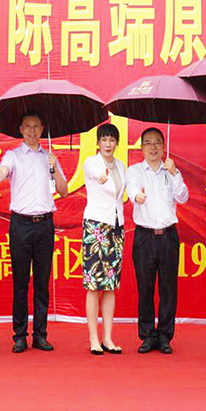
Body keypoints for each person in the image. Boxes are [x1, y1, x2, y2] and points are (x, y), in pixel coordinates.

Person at [0, 111, 67, 353]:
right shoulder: (13, 155)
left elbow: (63, 191)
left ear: (42, 129)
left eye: (36, 126)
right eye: (28, 126)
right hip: (20, 225)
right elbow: (3, 171)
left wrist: (55, 168)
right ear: (20, 129)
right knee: (20, 283)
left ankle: (40, 335)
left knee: (42, 283)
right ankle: (19, 335)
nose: (32, 130)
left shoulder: (49, 157)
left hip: (45, 225)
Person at [126, 127, 189, 355]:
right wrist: (137, 196)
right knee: (145, 287)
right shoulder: (134, 171)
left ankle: (164, 336)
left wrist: (175, 173)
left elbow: (183, 197)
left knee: (168, 288)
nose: (152, 147)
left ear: (164, 146)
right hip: (144, 236)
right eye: (148, 143)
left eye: (157, 142)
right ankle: (147, 335)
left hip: (168, 236)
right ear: (142, 147)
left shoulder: (170, 170)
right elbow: (131, 189)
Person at [81, 123, 126, 355]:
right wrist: (101, 177)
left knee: (110, 286)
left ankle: (108, 338)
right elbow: (94, 173)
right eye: (104, 140)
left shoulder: (121, 165)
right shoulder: (92, 162)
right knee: (93, 285)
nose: (108, 144)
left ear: (117, 143)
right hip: (96, 227)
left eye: (112, 140)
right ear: (98, 142)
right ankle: (93, 338)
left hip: (116, 228)